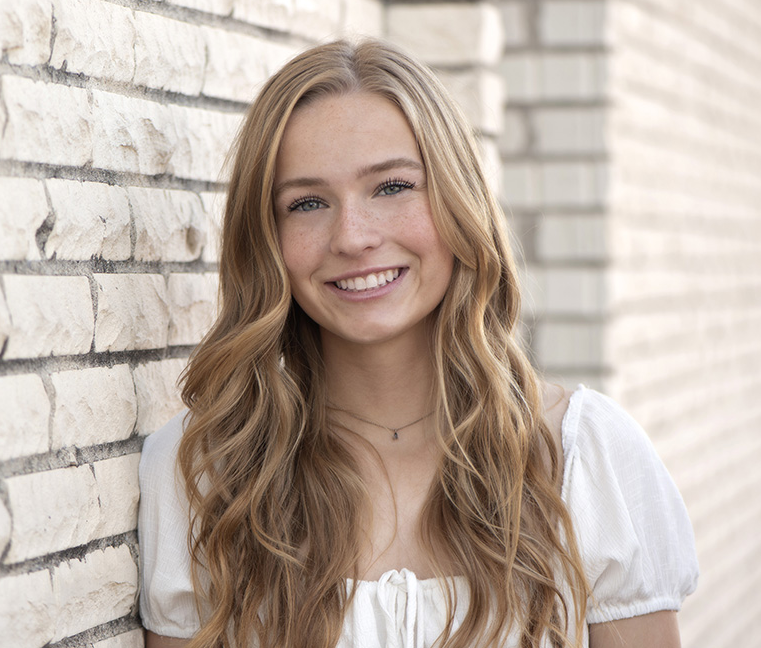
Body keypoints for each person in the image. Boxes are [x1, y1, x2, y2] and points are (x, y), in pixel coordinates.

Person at [138, 39, 698, 648]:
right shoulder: (207, 472)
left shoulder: (585, 458)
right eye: (306, 203)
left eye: (392, 187)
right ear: (267, 238)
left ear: (459, 200)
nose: (352, 237)